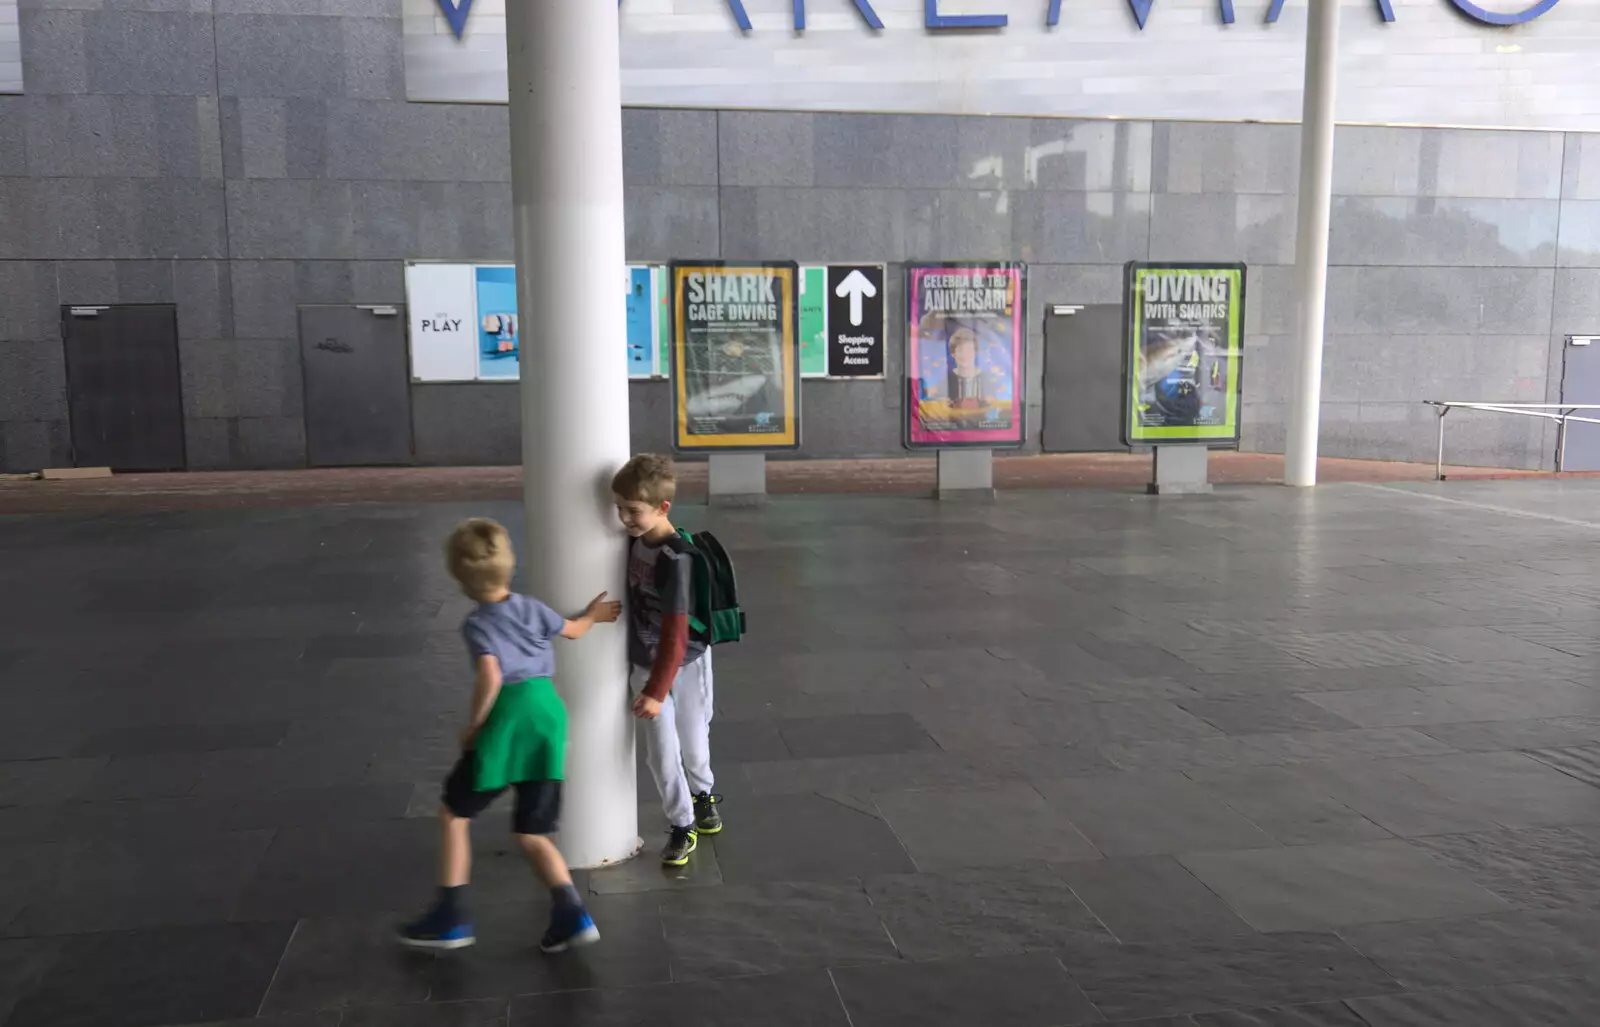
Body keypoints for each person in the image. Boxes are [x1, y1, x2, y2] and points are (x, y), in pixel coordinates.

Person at [399, 518, 621, 954]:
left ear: (459, 578)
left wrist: (475, 724)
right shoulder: (532, 607)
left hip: (510, 718)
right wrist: (593, 615)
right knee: (533, 832)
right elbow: (573, 630)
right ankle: (572, 912)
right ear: (510, 565)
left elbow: (490, 673)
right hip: (548, 713)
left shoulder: (477, 625)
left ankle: (451, 917)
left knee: (455, 814)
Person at [611, 454, 723, 867]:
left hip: (687, 664)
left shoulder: (678, 559)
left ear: (663, 508)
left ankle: (703, 792)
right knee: (660, 753)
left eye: (633, 510)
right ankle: (681, 824)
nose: (624, 518)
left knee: (694, 746)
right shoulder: (633, 542)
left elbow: (677, 634)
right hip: (646, 663)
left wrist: (656, 691)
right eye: (619, 509)